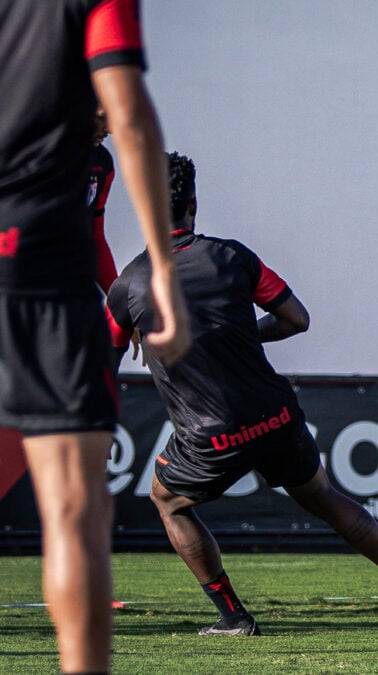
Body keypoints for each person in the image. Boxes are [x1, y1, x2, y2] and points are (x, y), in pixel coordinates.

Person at [106, 152, 378, 634]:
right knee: (324, 496)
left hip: (212, 436)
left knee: (168, 501)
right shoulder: (233, 256)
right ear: (194, 204)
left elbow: (104, 360)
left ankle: (233, 617)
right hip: (275, 416)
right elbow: (297, 319)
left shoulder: (127, 287)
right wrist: (241, 334)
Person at [0, 1, 190, 672]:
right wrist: (162, 272)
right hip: (38, 274)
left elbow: (98, 238)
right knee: (75, 513)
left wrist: (119, 295)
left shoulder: (97, 166)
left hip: (49, 267)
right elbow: (132, 109)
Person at [89, 107, 119, 292]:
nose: (110, 129)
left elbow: (96, 235)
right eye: (103, 118)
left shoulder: (103, 163)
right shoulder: (37, 148)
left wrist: (118, 297)